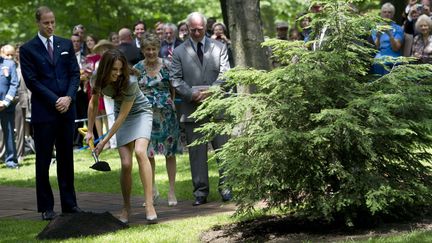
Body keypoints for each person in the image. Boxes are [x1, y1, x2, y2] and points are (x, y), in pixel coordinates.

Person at [20, 6, 82, 220]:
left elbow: (75, 74)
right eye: (46, 22)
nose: (50, 26)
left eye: (52, 22)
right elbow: (32, 82)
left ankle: (70, 204)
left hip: (67, 110)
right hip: (44, 113)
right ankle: (46, 207)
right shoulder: (28, 49)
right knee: (43, 160)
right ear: (38, 22)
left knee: (67, 159)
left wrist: (68, 97)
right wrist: (55, 100)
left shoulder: (65, 44)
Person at [85, 49, 157, 223]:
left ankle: (149, 205)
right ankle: (126, 207)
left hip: (140, 113)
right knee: (125, 163)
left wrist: (103, 142)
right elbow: (93, 104)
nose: (118, 73)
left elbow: (123, 116)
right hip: (120, 114)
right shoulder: (96, 77)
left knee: (140, 152)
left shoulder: (130, 80)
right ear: (105, 69)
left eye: (120, 69)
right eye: (114, 70)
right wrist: (89, 130)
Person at [170, 12, 232, 206]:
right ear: (187, 29)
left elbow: (226, 74)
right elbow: (175, 79)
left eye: (200, 29)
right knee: (197, 155)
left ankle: (227, 188)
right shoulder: (179, 52)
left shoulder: (220, 47)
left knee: (223, 150)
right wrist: (191, 94)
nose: (197, 33)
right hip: (192, 109)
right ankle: (200, 192)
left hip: (218, 109)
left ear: (206, 28)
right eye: (193, 29)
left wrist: (212, 91)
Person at [134, 34, 180, 207]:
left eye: (154, 48)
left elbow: (173, 89)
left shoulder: (167, 65)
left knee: (170, 153)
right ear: (143, 50)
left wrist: (170, 104)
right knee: (148, 154)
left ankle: (171, 191)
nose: (151, 52)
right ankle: (152, 191)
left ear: (158, 48)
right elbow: (135, 91)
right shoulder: (137, 68)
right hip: (146, 116)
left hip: (167, 115)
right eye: (147, 49)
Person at [371, 3, 404, 75]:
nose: (387, 14)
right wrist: (378, 37)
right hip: (380, 55)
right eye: (384, 12)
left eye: (389, 12)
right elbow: (375, 49)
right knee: (377, 63)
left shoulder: (398, 28)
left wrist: (390, 35)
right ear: (381, 14)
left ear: (393, 14)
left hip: (394, 55)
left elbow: (396, 48)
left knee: (388, 64)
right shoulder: (375, 28)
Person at [0, 45, 19, 169]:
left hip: (5, 106)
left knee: (9, 133)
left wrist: (5, 102)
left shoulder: (9, 64)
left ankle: (11, 161)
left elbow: (14, 84)